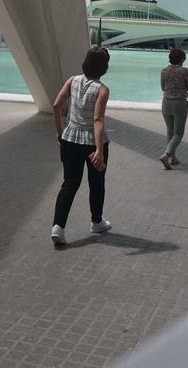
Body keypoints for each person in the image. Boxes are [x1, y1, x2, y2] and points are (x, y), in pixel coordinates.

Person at [51, 46, 112, 246]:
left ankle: (58, 227)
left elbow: (56, 105)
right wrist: (99, 150)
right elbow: (97, 120)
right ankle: (97, 222)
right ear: (104, 67)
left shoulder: (72, 80)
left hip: (69, 139)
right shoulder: (102, 89)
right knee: (97, 183)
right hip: (92, 143)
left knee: (69, 183)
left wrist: (60, 132)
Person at [159, 48, 188, 169]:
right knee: (178, 133)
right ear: (181, 59)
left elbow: (162, 87)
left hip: (166, 102)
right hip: (179, 103)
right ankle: (166, 155)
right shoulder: (184, 71)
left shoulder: (164, 70)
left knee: (170, 131)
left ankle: (173, 158)